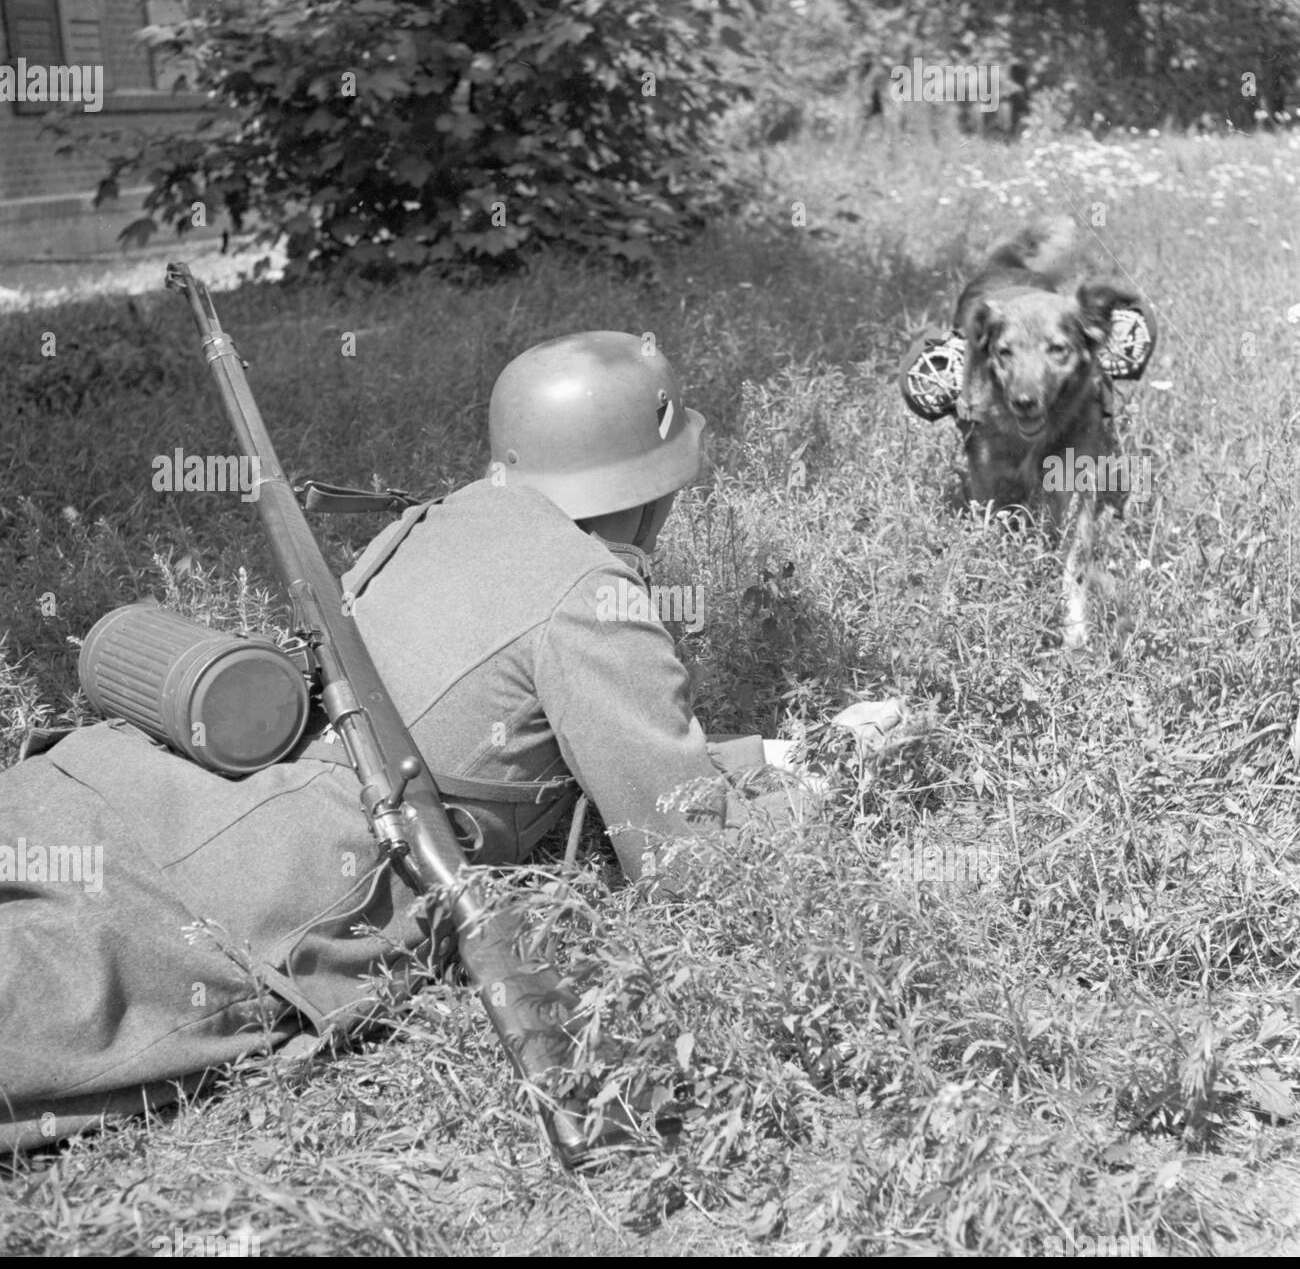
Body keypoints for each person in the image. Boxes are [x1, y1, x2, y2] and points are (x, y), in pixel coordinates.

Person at [0, 331, 799, 1154]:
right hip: (246, 899)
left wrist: (754, 757)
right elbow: (693, 862)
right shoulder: (593, 596)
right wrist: (820, 785)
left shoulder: (444, 517)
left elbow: (518, 740)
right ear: (657, 480)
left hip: (125, 791)